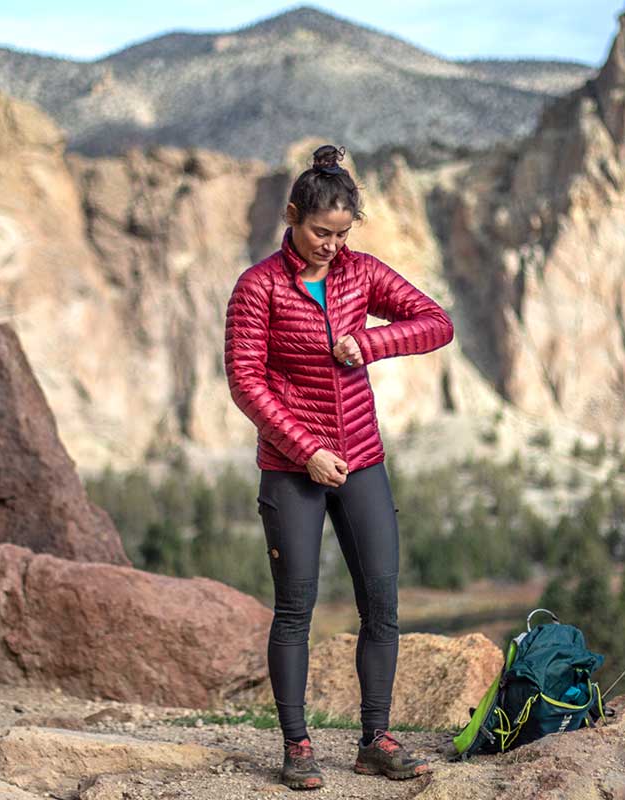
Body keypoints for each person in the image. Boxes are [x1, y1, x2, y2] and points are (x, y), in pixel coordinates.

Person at [223, 144, 454, 789]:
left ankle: (375, 739)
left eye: (343, 233)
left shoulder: (361, 274)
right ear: (292, 217)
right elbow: (246, 382)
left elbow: (437, 323)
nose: (331, 245)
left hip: (363, 461)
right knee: (295, 610)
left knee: (381, 604)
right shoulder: (258, 286)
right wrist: (306, 451)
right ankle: (297, 747)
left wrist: (371, 343)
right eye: (321, 232)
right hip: (292, 468)